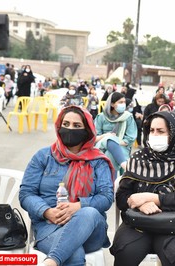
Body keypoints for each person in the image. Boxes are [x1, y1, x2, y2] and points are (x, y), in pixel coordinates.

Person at [19, 105, 115, 266]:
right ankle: (54, 260)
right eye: (66, 124)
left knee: (89, 212)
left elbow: (106, 198)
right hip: (49, 226)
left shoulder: (98, 161)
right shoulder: (44, 156)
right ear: (59, 126)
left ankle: (51, 261)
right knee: (73, 254)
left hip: (91, 230)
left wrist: (78, 206)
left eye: (77, 126)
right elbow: (26, 194)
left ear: (87, 130)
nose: (70, 129)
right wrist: (46, 211)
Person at [110, 111, 175, 266]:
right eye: (152, 130)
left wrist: (150, 198)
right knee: (125, 251)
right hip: (138, 222)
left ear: (174, 133)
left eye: (161, 131)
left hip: (174, 225)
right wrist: (140, 204)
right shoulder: (138, 160)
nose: (154, 135)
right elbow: (121, 197)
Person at [94, 92, 137, 173]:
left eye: (124, 102)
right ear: (112, 104)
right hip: (101, 145)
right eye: (120, 102)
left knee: (110, 154)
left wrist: (114, 143)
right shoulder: (101, 117)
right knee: (109, 140)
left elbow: (130, 138)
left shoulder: (128, 117)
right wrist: (107, 136)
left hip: (122, 145)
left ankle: (109, 179)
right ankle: (123, 168)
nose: (123, 104)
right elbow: (94, 137)